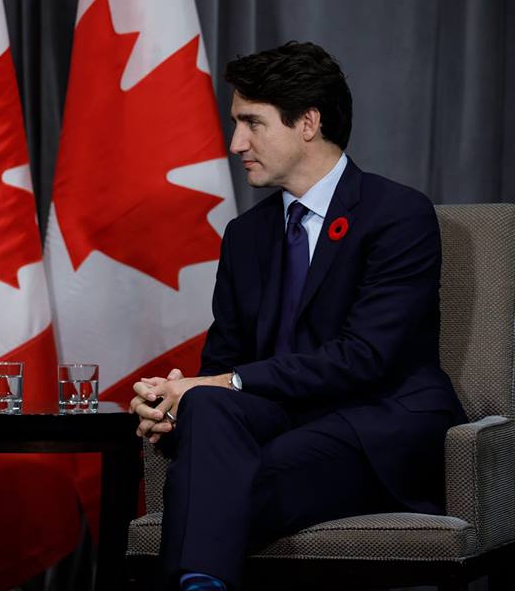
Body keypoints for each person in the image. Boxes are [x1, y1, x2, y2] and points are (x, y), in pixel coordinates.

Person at [130, 42, 466, 591]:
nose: (235, 143)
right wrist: (177, 404)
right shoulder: (245, 235)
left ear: (307, 122)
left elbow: (365, 357)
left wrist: (220, 383)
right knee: (207, 412)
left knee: (216, 489)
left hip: (374, 425)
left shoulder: (398, 214)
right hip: (279, 420)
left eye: (251, 123)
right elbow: (223, 364)